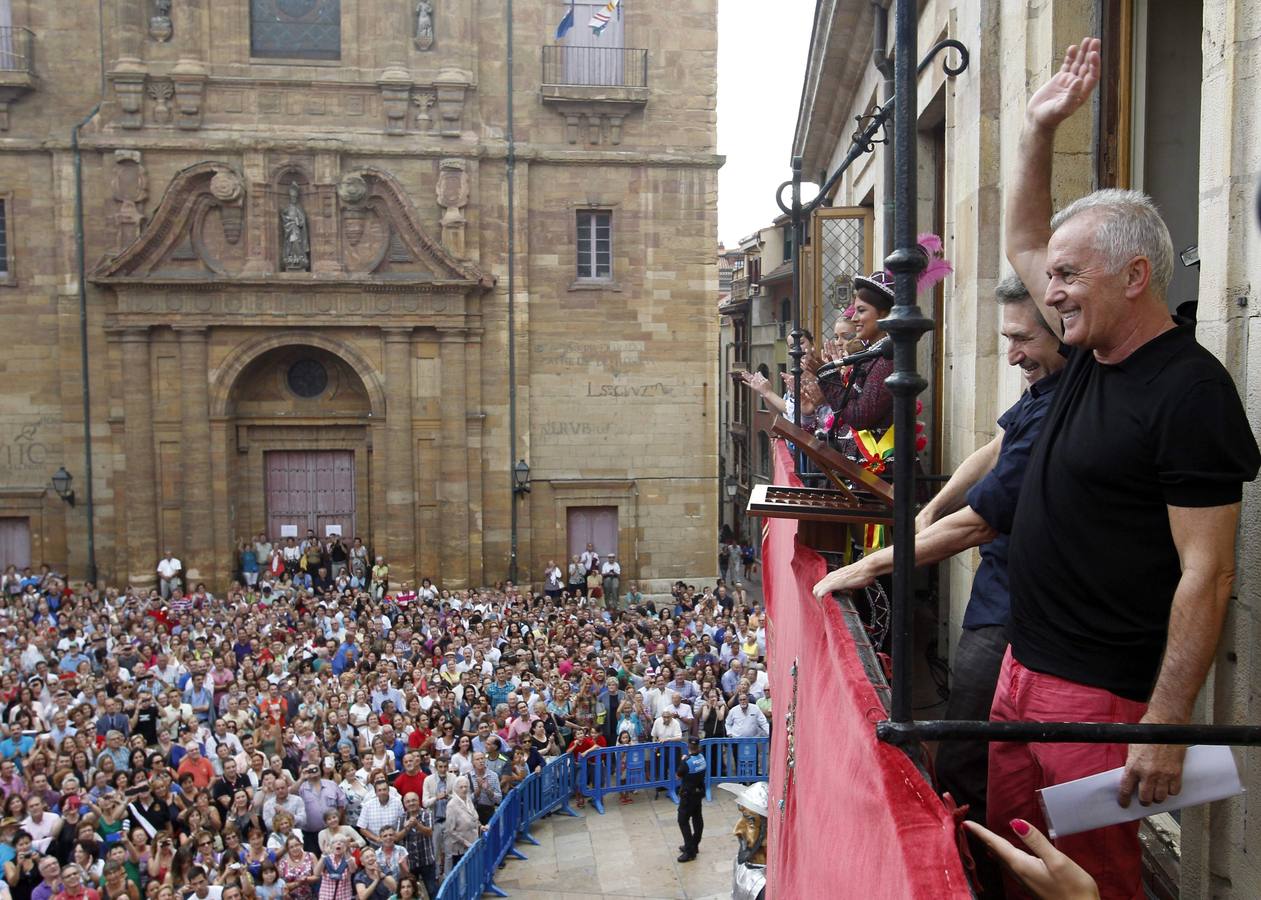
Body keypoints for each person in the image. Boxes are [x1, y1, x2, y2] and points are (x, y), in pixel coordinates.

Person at [995, 36, 1260, 899]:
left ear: (1135, 275)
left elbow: (1207, 572)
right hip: (1020, 670)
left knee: (1091, 883)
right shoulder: (1088, 346)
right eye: (1055, 276)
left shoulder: (1189, 391)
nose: (1052, 290)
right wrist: (1038, 129)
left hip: (1100, 702)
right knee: (1018, 860)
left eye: (1071, 276)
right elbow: (1024, 235)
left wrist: (1165, 724)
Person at [812, 274, 1067, 874]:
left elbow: (977, 524)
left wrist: (871, 563)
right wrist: (930, 508)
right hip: (1002, 590)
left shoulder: (1069, 390)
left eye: (1021, 338)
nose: (1011, 355)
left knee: (963, 754)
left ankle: (967, 870)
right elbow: (996, 448)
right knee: (979, 744)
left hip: (1020, 603)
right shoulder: (1046, 386)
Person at [674, 737, 706, 863]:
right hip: (699, 793)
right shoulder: (702, 758)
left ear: (688, 746)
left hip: (688, 795)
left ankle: (689, 851)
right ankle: (694, 844)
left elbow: (678, 776)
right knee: (697, 819)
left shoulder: (687, 762)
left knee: (683, 821)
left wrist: (682, 761)